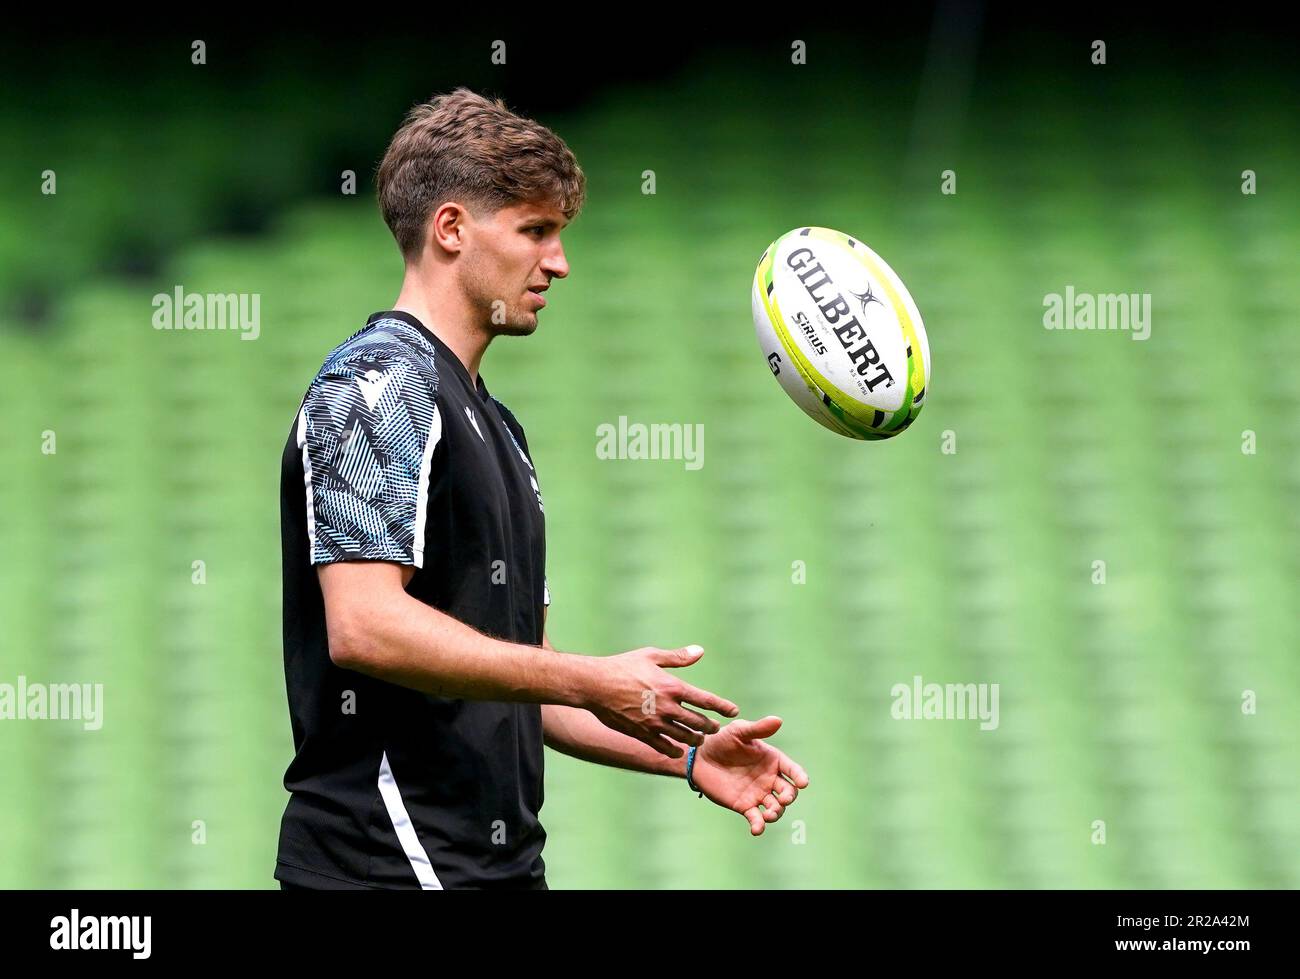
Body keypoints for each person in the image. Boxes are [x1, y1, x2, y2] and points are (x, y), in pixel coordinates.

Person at [275, 88, 809, 890]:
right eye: (535, 231)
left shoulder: (497, 426)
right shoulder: (376, 385)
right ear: (451, 229)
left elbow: (528, 681)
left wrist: (689, 757)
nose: (558, 262)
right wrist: (593, 677)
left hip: (493, 867)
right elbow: (364, 625)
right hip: (386, 864)